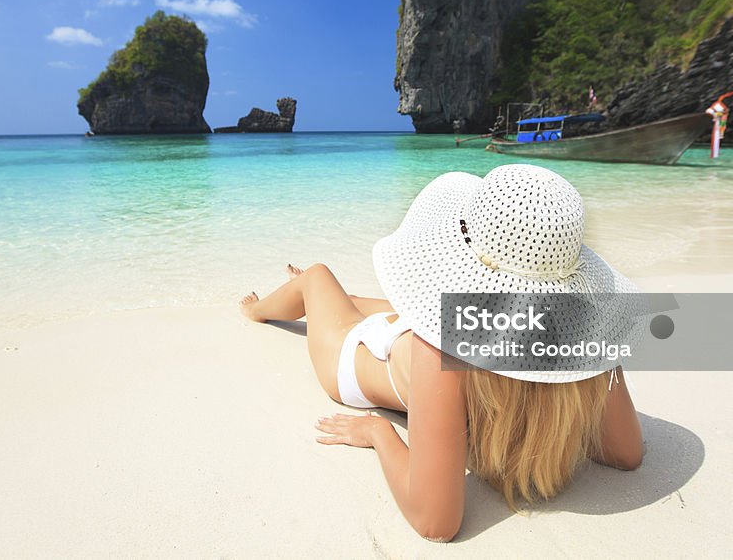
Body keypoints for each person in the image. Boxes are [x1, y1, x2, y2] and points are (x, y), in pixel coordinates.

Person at [239, 164, 644, 542]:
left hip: (356, 359)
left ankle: (256, 309)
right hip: (408, 338)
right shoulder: (581, 337)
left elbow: (436, 523)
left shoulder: (440, 350)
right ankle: (331, 299)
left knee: (316, 276)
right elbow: (626, 453)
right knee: (385, 307)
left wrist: (377, 432)